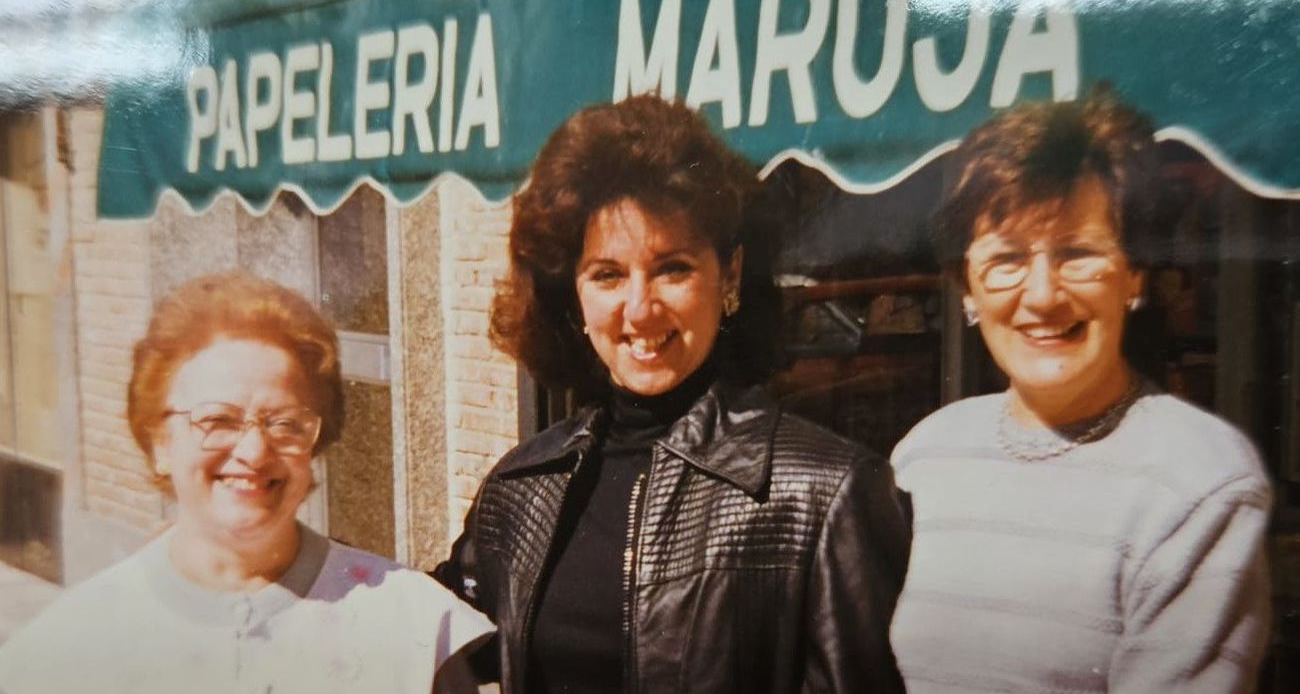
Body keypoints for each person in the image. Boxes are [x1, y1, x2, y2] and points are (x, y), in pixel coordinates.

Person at [433, 95, 911, 693]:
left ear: (729, 274)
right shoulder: (520, 488)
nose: (640, 308)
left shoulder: (824, 495)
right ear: (573, 293)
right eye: (608, 274)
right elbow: (421, 633)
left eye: (672, 268)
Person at [889, 91, 1272, 692]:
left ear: (1134, 274)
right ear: (967, 286)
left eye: (1078, 254)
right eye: (1007, 260)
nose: (1043, 296)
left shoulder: (1201, 480)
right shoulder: (926, 455)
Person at [0, 271, 492, 693]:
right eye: (217, 420)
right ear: (159, 442)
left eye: (285, 422)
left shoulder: (413, 630)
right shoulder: (69, 650)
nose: (255, 452)